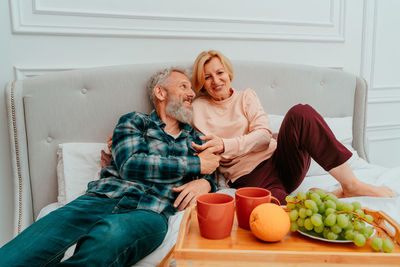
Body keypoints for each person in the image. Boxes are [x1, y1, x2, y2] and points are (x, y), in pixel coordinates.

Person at [0, 67, 220, 266]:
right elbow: (131, 165)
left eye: (191, 88)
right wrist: (197, 164)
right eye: (183, 86)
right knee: (20, 253)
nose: (192, 94)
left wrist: (206, 183)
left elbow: (214, 171)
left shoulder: (197, 139)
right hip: (100, 199)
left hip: (150, 212)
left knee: (107, 237)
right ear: (160, 93)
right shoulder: (133, 122)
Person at [190, 50, 394, 204]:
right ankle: (325, 196)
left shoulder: (246, 96)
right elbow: (205, 154)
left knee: (300, 112)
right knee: (276, 212)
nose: (216, 80)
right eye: (207, 77)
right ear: (202, 83)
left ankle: (351, 184)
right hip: (249, 177)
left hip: (281, 159)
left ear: (228, 73)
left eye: (219, 72)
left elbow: (262, 136)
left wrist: (225, 145)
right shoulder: (197, 109)